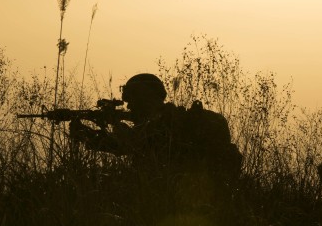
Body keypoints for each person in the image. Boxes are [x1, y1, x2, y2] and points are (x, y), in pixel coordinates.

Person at [69, 73, 242, 188]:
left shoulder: (166, 121)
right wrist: (85, 134)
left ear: (145, 99)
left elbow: (128, 144)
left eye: (133, 100)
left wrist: (113, 124)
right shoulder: (165, 119)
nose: (130, 106)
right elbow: (122, 145)